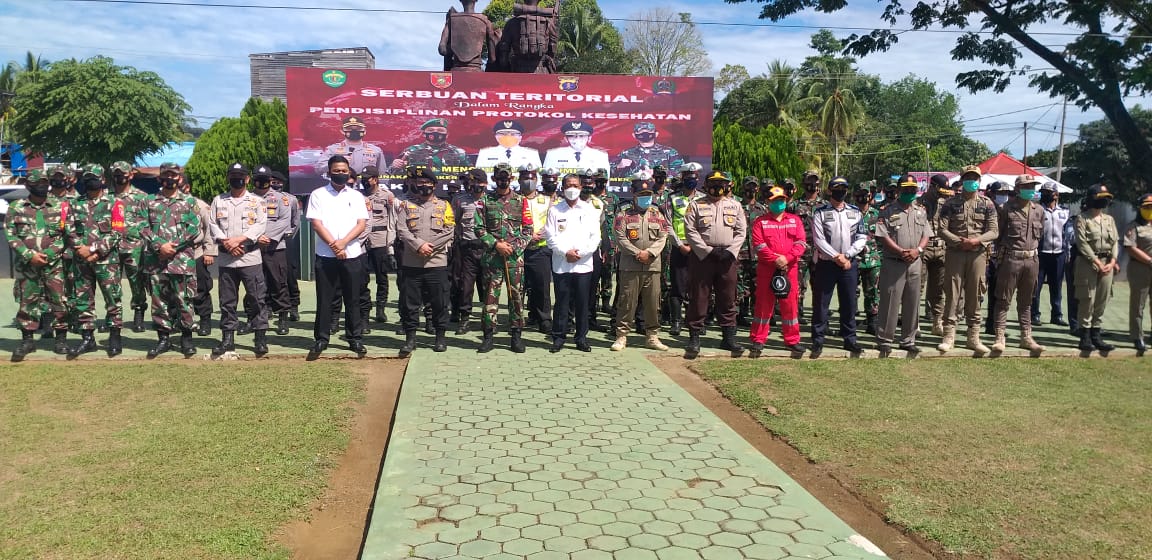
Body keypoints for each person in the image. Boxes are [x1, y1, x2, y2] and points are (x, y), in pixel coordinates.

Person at [306, 155, 369, 360]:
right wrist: (335, 246)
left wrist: (343, 244)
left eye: (344, 170)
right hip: (326, 255)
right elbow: (317, 224)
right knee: (325, 299)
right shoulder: (318, 194)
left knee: (353, 298)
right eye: (336, 170)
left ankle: (354, 338)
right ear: (329, 171)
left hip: (351, 253)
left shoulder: (357, 196)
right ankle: (321, 339)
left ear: (349, 171)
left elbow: (361, 224)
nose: (340, 173)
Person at [5, 169, 70, 361]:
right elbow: (10, 234)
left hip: (54, 264)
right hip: (27, 265)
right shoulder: (17, 207)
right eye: (37, 183)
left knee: (59, 300)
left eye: (44, 182)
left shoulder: (60, 206)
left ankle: (60, 340)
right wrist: (28, 254)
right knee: (28, 302)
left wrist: (50, 253)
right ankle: (28, 341)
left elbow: (67, 234)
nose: (42, 186)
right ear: (28, 186)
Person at [683, 171, 747, 359]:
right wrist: (707, 251)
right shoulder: (696, 205)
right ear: (706, 184)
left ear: (728, 186)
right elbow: (690, 230)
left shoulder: (735, 205)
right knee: (699, 297)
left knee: (728, 297)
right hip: (703, 257)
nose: (717, 186)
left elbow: (741, 231)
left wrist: (730, 251)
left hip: (727, 257)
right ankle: (694, 338)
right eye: (714, 182)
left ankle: (728, 337)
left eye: (721, 183)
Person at [937, 165, 998, 356]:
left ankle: (974, 338)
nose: (972, 181)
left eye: (975, 178)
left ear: (979, 181)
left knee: (975, 294)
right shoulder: (950, 204)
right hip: (955, 253)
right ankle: (948, 336)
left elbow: (994, 231)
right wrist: (959, 241)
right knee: (952, 294)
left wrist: (976, 241)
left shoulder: (987, 204)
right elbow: (942, 229)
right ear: (962, 180)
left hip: (978, 254)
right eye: (968, 177)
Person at [210, 163, 270, 358]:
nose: (237, 179)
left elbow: (260, 225)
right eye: (233, 175)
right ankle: (228, 339)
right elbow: (212, 224)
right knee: (227, 301)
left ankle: (260, 338)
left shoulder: (257, 201)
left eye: (241, 176)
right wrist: (227, 242)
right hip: (227, 259)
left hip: (250, 257)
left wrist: (239, 240)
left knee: (257, 299)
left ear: (247, 179)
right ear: (228, 178)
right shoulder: (219, 200)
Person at [142, 164, 201, 359]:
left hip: (181, 261)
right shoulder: (149, 201)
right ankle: (163, 339)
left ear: (179, 178)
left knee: (184, 300)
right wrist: (160, 245)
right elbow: (141, 226)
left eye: (173, 175)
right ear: (160, 178)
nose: (170, 178)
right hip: (156, 261)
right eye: (166, 175)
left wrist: (172, 247)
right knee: (159, 302)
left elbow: (194, 228)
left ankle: (186, 339)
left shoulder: (189, 201)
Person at [66, 165, 125, 357]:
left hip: (107, 261)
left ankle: (115, 338)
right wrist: (80, 249)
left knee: (113, 299)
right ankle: (87, 338)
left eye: (94, 178)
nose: (91, 181)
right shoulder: (74, 204)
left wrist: (95, 250)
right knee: (83, 300)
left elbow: (117, 231)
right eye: (87, 178)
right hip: (81, 261)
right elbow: (68, 230)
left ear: (103, 180)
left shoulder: (115, 203)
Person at [396, 168, 455, 356]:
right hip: (411, 263)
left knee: (439, 302)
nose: (423, 186)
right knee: (410, 303)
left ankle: (440, 337)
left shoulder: (444, 205)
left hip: (436, 262)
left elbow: (449, 230)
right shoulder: (406, 205)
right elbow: (401, 229)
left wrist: (429, 248)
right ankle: (410, 338)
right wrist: (419, 245)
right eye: (419, 183)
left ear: (434, 185)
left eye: (427, 183)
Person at [475, 163, 533, 353]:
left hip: (514, 260)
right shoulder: (485, 201)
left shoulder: (521, 201)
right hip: (492, 259)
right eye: (499, 178)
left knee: (516, 299)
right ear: (494, 179)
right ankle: (488, 336)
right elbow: (479, 228)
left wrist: (514, 248)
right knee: (490, 300)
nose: (502, 181)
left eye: (506, 178)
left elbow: (528, 229)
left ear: (512, 179)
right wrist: (496, 244)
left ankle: (516, 336)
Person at [809, 176, 868, 358]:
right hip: (827, 264)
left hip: (849, 264)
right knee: (821, 304)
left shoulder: (855, 212)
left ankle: (850, 340)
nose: (840, 191)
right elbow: (818, 240)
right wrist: (837, 257)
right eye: (836, 188)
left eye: (843, 188)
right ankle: (817, 342)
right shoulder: (819, 212)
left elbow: (861, 237)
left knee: (849, 303)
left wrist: (848, 255)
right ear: (829, 190)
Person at [611, 174, 670, 352]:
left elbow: (664, 235)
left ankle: (652, 336)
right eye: (641, 194)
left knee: (653, 302)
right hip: (630, 265)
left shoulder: (657, 213)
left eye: (648, 194)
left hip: (653, 266)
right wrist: (638, 253)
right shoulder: (624, 214)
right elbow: (620, 237)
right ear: (634, 194)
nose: (645, 198)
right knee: (626, 301)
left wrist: (650, 253)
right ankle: (621, 336)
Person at [874, 176, 931, 358]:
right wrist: (900, 251)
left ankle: (908, 340)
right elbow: (883, 236)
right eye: (906, 189)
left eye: (913, 189)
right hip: (894, 263)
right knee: (890, 301)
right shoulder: (887, 211)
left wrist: (918, 250)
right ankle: (885, 339)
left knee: (913, 302)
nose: (910, 192)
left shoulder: (921, 211)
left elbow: (926, 234)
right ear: (899, 190)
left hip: (915, 262)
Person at [748, 185, 806, 358]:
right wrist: (776, 260)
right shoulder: (760, 222)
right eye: (775, 201)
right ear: (767, 202)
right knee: (763, 306)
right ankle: (758, 340)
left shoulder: (795, 220)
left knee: (790, 307)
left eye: (781, 200)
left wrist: (786, 259)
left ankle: (792, 341)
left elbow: (801, 243)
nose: (779, 204)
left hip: (790, 269)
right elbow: (759, 245)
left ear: (786, 201)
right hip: (767, 269)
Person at [545, 173, 600, 352]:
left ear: (581, 187)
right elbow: (550, 237)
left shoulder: (589, 209)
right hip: (562, 264)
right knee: (562, 302)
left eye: (576, 185)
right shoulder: (555, 210)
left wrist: (581, 253)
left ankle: (581, 338)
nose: (572, 189)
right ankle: (558, 338)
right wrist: (565, 252)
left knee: (583, 302)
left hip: (583, 264)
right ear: (562, 187)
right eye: (569, 185)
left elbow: (595, 237)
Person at [245, 165, 298, 336]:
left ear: (270, 180)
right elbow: (242, 222)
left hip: (275, 248)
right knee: (252, 285)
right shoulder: (247, 198)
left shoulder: (282, 199)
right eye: (258, 179)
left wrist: (267, 237)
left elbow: (285, 221)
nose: (261, 182)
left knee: (278, 283)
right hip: (252, 247)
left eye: (265, 179)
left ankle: (282, 318)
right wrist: (256, 238)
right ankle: (251, 319)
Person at [1074, 183, 1120, 355]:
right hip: (1088, 263)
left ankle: (1096, 334)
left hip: (1107, 263)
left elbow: (1115, 241)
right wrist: (1097, 262)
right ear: (1092, 199)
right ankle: (1084, 336)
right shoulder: (1082, 219)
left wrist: (1112, 260)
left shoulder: (1110, 220)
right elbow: (1082, 243)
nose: (1105, 202)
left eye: (1107, 199)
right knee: (1087, 299)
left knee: (1102, 298)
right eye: (1102, 198)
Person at [110, 161, 152, 333]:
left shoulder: (142, 197)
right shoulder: (106, 197)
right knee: (111, 284)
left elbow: (147, 224)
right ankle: (112, 316)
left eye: (123, 173)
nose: (120, 176)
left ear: (131, 175)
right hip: (110, 248)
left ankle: (139, 312)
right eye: (117, 173)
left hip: (134, 247)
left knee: (137, 283)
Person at [663, 163, 705, 336]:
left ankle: (696, 322)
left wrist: (699, 246)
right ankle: (676, 322)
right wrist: (679, 244)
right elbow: (667, 223)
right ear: (682, 178)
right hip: (679, 248)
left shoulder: (703, 199)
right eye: (688, 177)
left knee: (698, 287)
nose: (691, 180)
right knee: (677, 287)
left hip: (699, 250)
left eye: (694, 177)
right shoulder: (672, 198)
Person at [179, 167, 219, 337]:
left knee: (200, 288)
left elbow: (210, 228)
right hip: (174, 256)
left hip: (196, 253)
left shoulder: (199, 205)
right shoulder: (165, 205)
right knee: (176, 290)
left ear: (187, 187)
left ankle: (204, 319)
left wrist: (209, 251)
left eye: (178, 184)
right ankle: (179, 320)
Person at [451, 169, 487, 334]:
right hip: (467, 247)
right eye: (472, 183)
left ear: (485, 184)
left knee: (487, 285)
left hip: (487, 248)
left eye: (478, 183)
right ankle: (464, 318)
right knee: (466, 285)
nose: (475, 186)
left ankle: (487, 318)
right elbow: (455, 222)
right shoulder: (460, 200)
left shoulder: (491, 200)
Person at [360, 165, 398, 325]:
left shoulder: (386, 195)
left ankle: (380, 309)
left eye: (367, 178)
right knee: (362, 278)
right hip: (361, 239)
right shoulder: (358, 196)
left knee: (382, 277)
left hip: (380, 238)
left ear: (375, 179)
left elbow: (393, 217)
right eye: (362, 178)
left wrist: (391, 242)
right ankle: (364, 311)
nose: (364, 181)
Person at [520, 163, 555, 334]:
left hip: (540, 249)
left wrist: (540, 234)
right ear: (519, 179)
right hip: (518, 249)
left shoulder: (547, 200)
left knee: (541, 286)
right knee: (519, 287)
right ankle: (518, 318)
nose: (528, 181)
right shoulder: (514, 200)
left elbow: (552, 222)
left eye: (532, 177)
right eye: (525, 177)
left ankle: (544, 319)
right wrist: (527, 236)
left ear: (537, 179)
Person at [1032, 181, 1071, 327]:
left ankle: (1057, 315)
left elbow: (1068, 233)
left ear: (1056, 194)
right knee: (1036, 286)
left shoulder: (1065, 211)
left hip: (1058, 254)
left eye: (1049, 192)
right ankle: (1034, 314)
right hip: (1041, 253)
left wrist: (1067, 253)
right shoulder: (1037, 209)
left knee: (1057, 287)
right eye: (1044, 192)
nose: (1045, 195)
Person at [788, 169, 823, 325]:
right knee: (797, 287)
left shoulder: (826, 205)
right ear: (803, 184)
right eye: (809, 182)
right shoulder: (793, 206)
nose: (812, 185)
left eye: (814, 182)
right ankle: (796, 316)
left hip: (821, 253)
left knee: (820, 288)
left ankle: (820, 318)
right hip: (799, 253)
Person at [920, 174, 953, 335]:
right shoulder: (918, 203)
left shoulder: (945, 203)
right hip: (922, 249)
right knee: (917, 288)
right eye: (939, 190)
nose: (941, 194)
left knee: (938, 289)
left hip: (941, 249)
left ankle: (937, 321)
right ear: (931, 186)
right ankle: (914, 323)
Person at [735, 177, 766, 327]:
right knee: (738, 287)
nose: (751, 190)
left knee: (757, 288)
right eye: (748, 187)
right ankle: (737, 317)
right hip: (739, 254)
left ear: (758, 189)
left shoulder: (763, 210)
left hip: (757, 255)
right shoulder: (735, 207)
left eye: (754, 187)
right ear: (743, 188)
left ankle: (758, 319)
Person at [1125, 193, 1152, 356]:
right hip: (1140, 269)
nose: (1150, 210)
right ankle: (1137, 336)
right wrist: (1149, 260)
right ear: (1140, 208)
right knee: (1138, 304)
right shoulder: (1133, 226)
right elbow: (1130, 247)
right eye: (1147, 207)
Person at [853, 185, 882, 335]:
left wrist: (880, 258)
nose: (862, 197)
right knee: (850, 292)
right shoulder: (849, 214)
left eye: (865, 194)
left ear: (870, 196)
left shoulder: (876, 214)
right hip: (853, 259)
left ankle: (872, 321)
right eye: (859, 193)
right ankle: (849, 322)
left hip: (872, 260)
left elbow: (882, 239)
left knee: (872, 292)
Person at [390, 118, 470, 172]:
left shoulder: (459, 152)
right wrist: (395, 166)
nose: (436, 132)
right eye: (431, 130)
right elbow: (391, 173)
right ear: (424, 134)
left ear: (447, 134)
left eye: (440, 130)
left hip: (451, 192)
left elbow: (469, 173)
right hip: (419, 192)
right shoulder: (411, 150)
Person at [314, 116, 385, 176]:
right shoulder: (332, 150)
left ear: (365, 131)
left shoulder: (376, 150)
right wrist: (336, 164)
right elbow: (318, 169)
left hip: (366, 188)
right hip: (340, 188)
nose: (354, 131)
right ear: (342, 130)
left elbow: (382, 174)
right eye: (349, 129)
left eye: (358, 129)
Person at [591, 168, 620, 317]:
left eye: (603, 181)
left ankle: (606, 302)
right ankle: (594, 301)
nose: (601, 184)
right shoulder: (590, 198)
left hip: (610, 242)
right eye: (599, 181)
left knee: (608, 272)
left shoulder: (613, 199)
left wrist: (615, 243)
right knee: (595, 272)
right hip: (595, 241)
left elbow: (617, 222)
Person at [475, 121, 542, 179]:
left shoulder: (531, 153)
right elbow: (479, 176)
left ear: (520, 137)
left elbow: (538, 176)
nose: (508, 137)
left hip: (523, 190)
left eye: (513, 134)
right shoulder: (485, 153)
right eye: (503, 134)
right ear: (496, 137)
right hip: (493, 190)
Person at [613, 122, 683, 177]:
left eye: (649, 132)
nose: (645, 134)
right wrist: (618, 166)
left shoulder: (670, 152)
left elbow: (681, 172)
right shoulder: (626, 153)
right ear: (634, 135)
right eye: (641, 132)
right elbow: (609, 174)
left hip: (660, 191)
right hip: (631, 191)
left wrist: (658, 173)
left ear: (656, 134)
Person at [542, 120, 611, 176]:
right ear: (566, 139)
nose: (577, 139)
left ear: (589, 138)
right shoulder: (553, 154)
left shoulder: (600, 156)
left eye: (581, 136)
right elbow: (546, 177)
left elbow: (604, 181)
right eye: (572, 136)